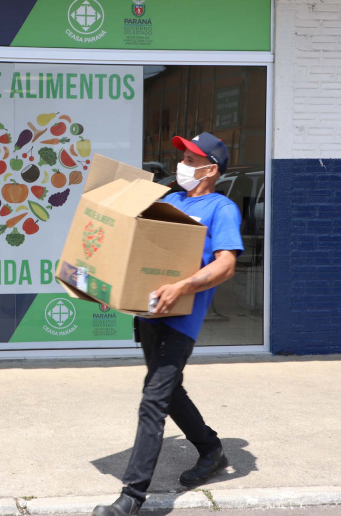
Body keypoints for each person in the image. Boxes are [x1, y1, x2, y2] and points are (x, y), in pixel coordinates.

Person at [93, 133, 244, 516]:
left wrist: (183, 286)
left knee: (153, 399)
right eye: (183, 157)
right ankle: (211, 450)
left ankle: (132, 496)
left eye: (192, 159)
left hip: (181, 319)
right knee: (169, 390)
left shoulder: (221, 208)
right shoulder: (168, 198)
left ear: (211, 169)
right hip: (147, 313)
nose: (183, 164)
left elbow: (226, 264)